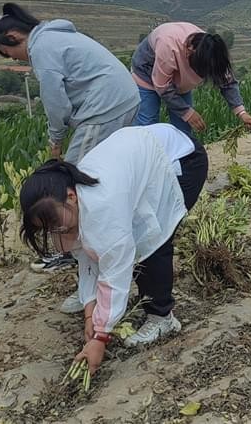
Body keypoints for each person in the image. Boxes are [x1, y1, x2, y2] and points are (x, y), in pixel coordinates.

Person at [19, 124, 208, 380]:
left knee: (152, 241)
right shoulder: (73, 202)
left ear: (71, 196)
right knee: (124, 239)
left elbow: (114, 272)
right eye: (48, 228)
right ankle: (150, 310)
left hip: (180, 159)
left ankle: (162, 317)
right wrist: (90, 312)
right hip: (146, 155)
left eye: (56, 223)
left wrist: (100, 336)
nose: (56, 230)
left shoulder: (103, 209)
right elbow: (86, 260)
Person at [0, 3, 141, 163]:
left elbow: (55, 102)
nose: (15, 59)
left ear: (13, 36)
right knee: (113, 167)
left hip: (105, 108)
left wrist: (55, 140)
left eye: (10, 54)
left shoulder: (41, 48)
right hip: (127, 99)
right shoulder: (55, 35)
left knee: (76, 173)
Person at [132, 23, 251, 135]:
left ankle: (182, 160)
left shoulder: (212, 51)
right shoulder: (168, 45)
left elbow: (227, 83)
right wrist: (188, 113)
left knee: (183, 129)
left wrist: (242, 113)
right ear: (189, 51)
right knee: (147, 125)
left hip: (180, 83)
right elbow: (163, 87)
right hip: (146, 74)